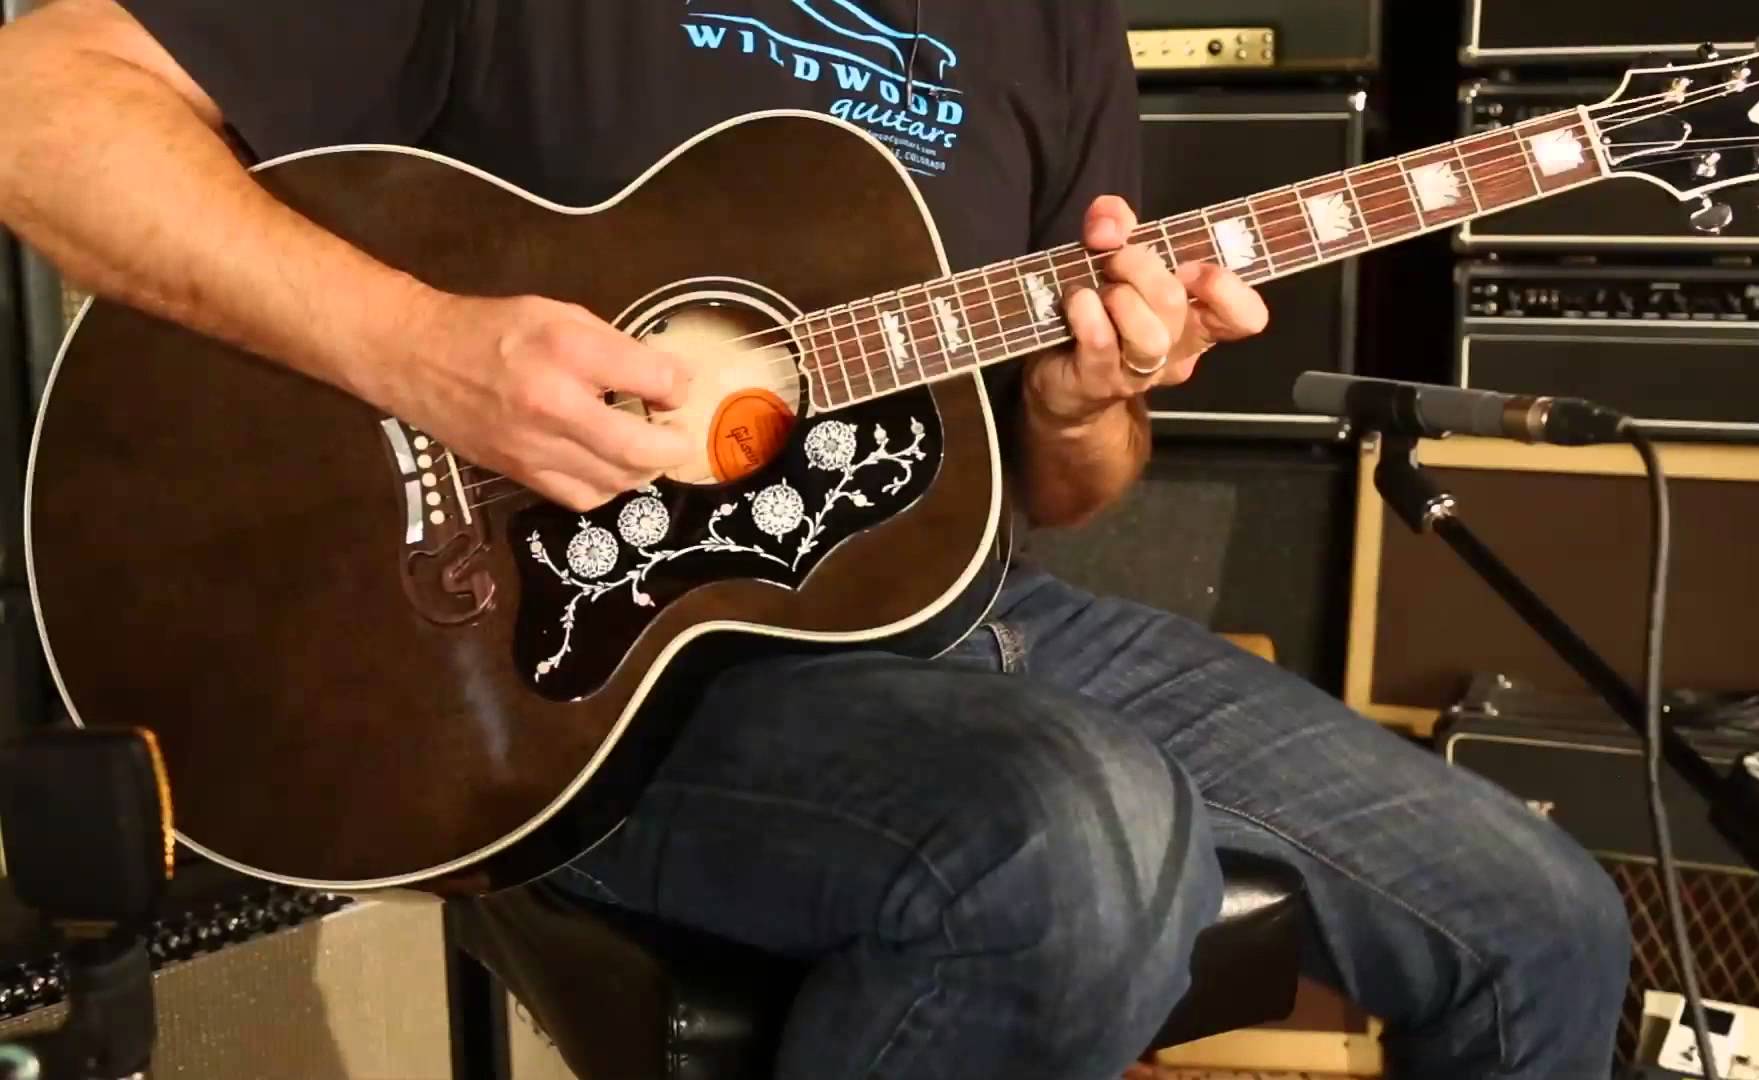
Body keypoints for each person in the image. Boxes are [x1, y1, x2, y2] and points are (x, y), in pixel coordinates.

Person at [0, 2, 1630, 1077]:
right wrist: (429, 352)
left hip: (963, 621)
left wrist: (1087, 400)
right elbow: (37, 108)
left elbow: (1072, 482)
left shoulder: (1052, 23)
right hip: (585, 682)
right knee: (1078, 837)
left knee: (1547, 921)